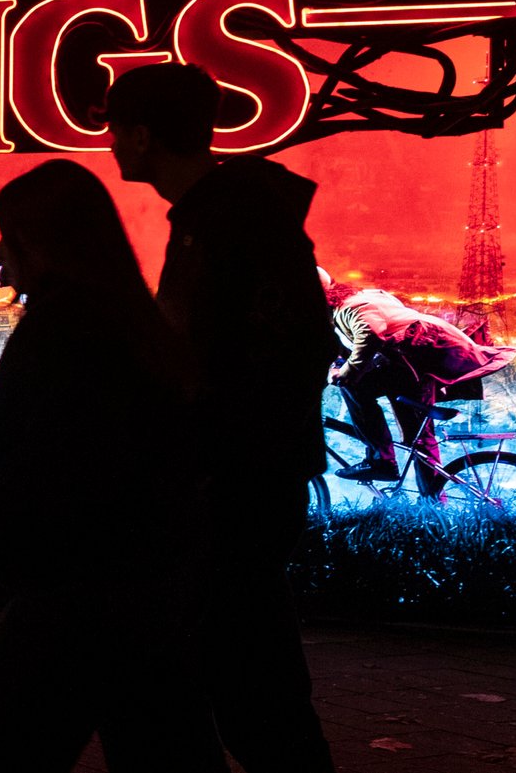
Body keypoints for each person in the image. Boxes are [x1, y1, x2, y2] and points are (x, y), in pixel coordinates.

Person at [0, 159, 224, 772]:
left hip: (70, 601)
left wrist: (15, 553)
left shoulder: (63, 333)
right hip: (138, 596)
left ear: (41, 243)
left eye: (7, 236)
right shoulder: (133, 325)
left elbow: (49, 471)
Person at [104, 63, 339, 773]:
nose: (110, 143)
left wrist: (212, 456)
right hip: (234, 483)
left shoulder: (231, 222)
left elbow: (285, 348)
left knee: (252, 689)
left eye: (115, 128)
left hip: (233, 490)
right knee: (236, 681)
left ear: (142, 136)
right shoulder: (219, 216)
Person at [322, 272, 516, 496]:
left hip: (418, 362)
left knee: (416, 433)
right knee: (363, 393)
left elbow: (371, 336)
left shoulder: (352, 307)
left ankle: (392, 469)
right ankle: (390, 466)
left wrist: (347, 373)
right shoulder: (358, 299)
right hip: (409, 364)